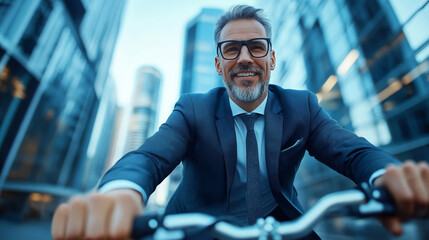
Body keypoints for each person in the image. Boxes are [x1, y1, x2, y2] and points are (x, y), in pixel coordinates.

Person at [51, 5, 429, 240]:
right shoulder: (193, 109)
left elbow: (352, 151)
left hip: (279, 226)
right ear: (218, 65)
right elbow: (149, 157)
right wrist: (121, 192)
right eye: (231, 49)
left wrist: (386, 175)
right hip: (198, 230)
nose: (245, 57)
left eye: (256, 47)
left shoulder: (302, 107)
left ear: (272, 59)